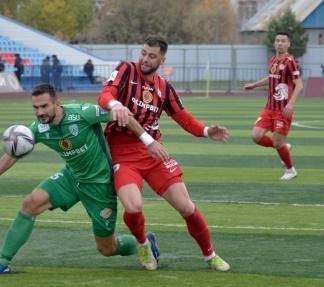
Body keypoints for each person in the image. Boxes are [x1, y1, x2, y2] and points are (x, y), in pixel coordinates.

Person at [0, 83, 161, 275]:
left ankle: (143, 241)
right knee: (30, 203)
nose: (40, 112)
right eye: (36, 108)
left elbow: (125, 117)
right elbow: (14, 152)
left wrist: (148, 141)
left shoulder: (81, 113)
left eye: (44, 106)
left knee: (107, 248)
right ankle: (3, 262)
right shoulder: (38, 128)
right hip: (71, 178)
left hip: (100, 185)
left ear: (56, 103)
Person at [98, 35, 231, 271]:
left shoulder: (163, 87)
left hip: (154, 153)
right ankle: (143, 243)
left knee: (186, 207)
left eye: (152, 56)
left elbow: (184, 119)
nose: (145, 59)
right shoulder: (126, 70)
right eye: (143, 53)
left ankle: (210, 256)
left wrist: (208, 130)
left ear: (162, 59)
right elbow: (105, 94)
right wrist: (115, 104)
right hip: (124, 155)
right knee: (133, 206)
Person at [244, 31, 303, 181]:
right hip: (269, 107)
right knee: (255, 136)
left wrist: (291, 103)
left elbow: (299, 85)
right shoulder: (273, 60)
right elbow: (271, 78)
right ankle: (284, 147)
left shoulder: (290, 61)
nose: (280, 43)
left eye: (283, 41)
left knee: (277, 142)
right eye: (277, 41)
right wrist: (254, 85)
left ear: (288, 44)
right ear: (274, 43)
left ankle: (291, 169)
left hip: (282, 110)